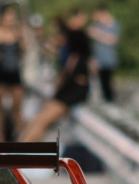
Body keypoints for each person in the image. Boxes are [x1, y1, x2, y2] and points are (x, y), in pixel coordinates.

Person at [19, 9, 91, 142]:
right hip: (70, 91)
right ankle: (20, 149)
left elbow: (65, 79)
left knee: (42, 120)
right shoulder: (75, 57)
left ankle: (19, 151)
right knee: (40, 120)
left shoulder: (74, 57)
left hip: (72, 92)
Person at [0, 7, 25, 141]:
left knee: (17, 106)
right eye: (9, 18)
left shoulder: (17, 34)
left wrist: (21, 37)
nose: (11, 21)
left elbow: (23, 51)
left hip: (14, 72)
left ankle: (20, 138)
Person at [88, 5, 121, 102]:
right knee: (101, 84)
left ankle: (111, 103)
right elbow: (94, 46)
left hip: (108, 59)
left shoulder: (114, 25)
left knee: (108, 84)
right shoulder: (98, 26)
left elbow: (113, 40)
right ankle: (105, 103)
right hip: (99, 60)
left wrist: (97, 34)